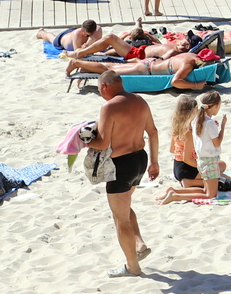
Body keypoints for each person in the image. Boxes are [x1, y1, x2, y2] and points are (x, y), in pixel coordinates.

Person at [87, 70, 160, 277]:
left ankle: (132, 267)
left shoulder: (108, 106)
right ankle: (139, 245)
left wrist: (83, 142)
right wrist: (154, 162)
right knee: (125, 205)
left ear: (104, 87)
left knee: (120, 219)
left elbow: (101, 143)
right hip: (140, 159)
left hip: (120, 165)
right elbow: (153, 132)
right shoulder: (140, 101)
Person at [64, 52, 212, 91]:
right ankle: (76, 62)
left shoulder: (192, 55)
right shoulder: (189, 64)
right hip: (145, 69)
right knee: (110, 70)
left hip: (149, 63)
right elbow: (176, 82)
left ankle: (85, 65)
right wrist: (196, 85)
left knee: (112, 66)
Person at [154, 95, 204, 204]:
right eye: (197, 109)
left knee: (220, 166)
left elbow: (172, 149)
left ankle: (184, 183)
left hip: (177, 166)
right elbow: (187, 159)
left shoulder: (177, 126)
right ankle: (187, 184)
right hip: (188, 168)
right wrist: (203, 168)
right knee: (215, 180)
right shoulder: (188, 132)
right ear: (191, 112)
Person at [36, 19, 121, 58]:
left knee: (57, 36)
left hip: (71, 35)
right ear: (83, 31)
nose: (89, 36)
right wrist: (88, 43)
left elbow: (100, 47)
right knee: (51, 38)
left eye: (92, 34)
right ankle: (41, 32)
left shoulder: (98, 30)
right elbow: (78, 53)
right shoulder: (77, 34)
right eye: (87, 35)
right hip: (62, 41)